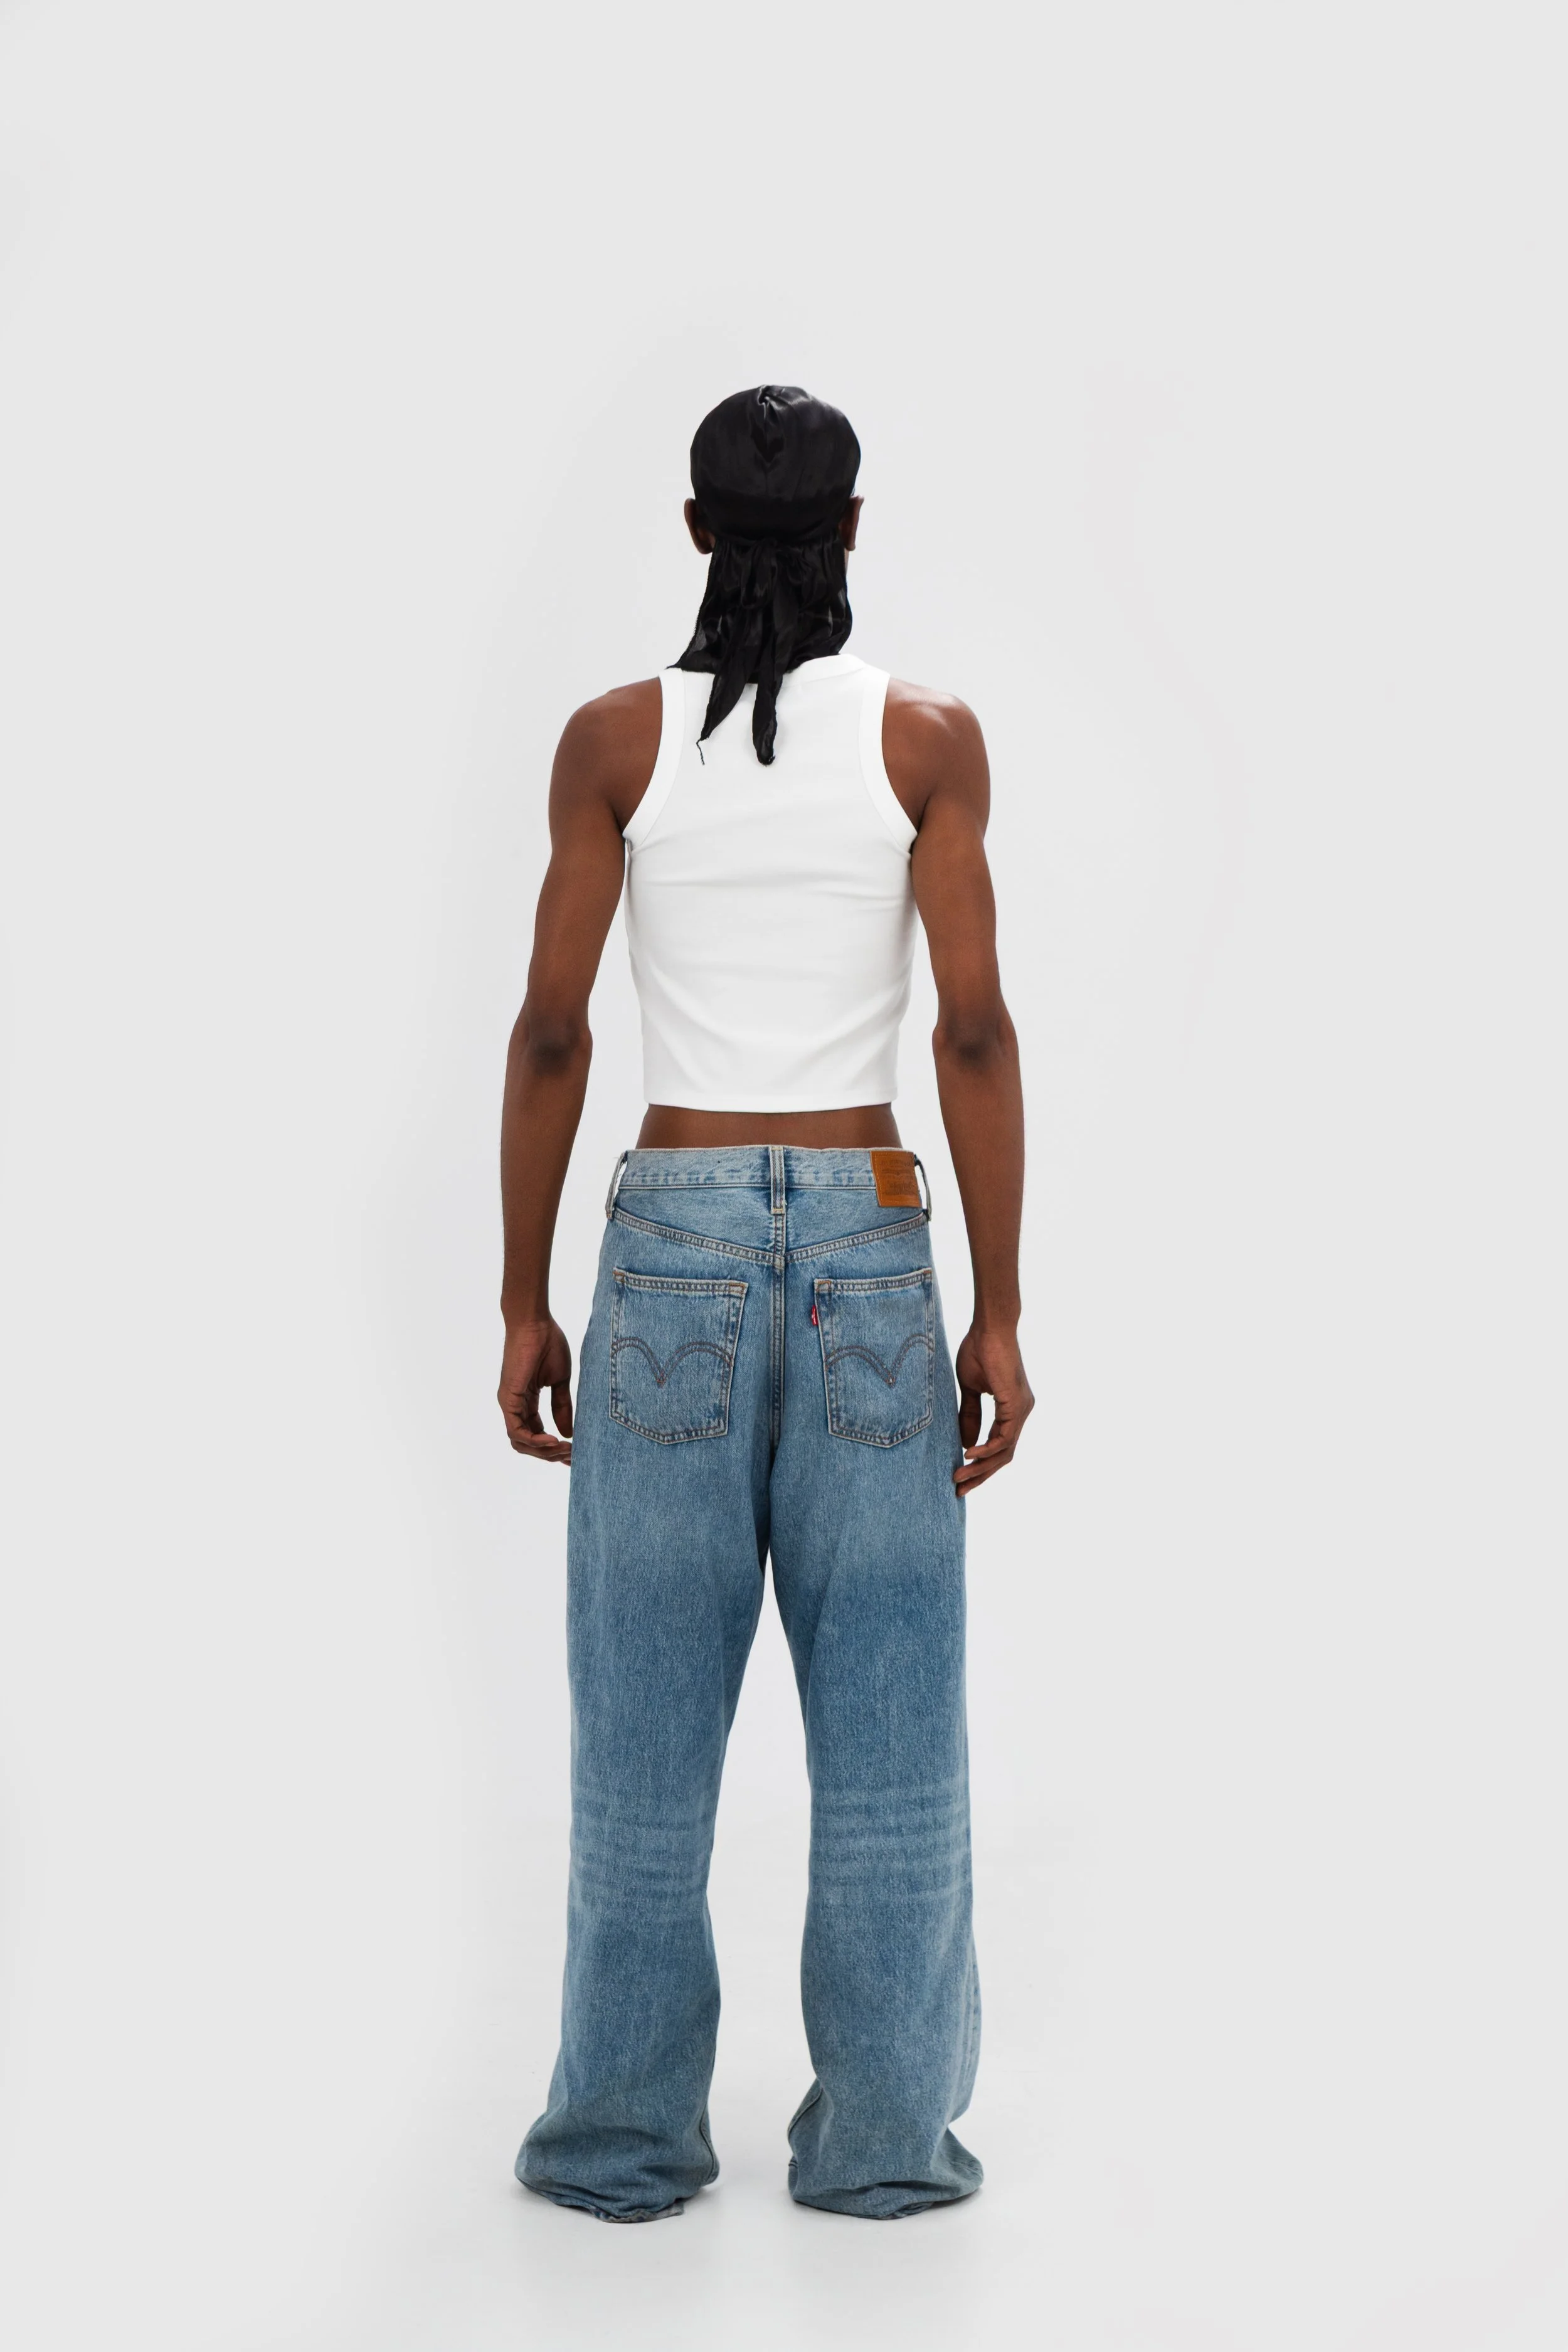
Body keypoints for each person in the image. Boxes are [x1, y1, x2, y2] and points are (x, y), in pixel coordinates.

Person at [500, 385, 1032, 2222]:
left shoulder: (615, 743)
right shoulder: (924, 741)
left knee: (642, 1725)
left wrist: (522, 1294)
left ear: (694, 528)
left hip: (672, 1235)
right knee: (894, 1729)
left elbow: (554, 1030)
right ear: (855, 529)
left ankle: (621, 2142)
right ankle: (883, 2146)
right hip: (874, 1240)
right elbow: (972, 1029)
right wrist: (998, 1308)